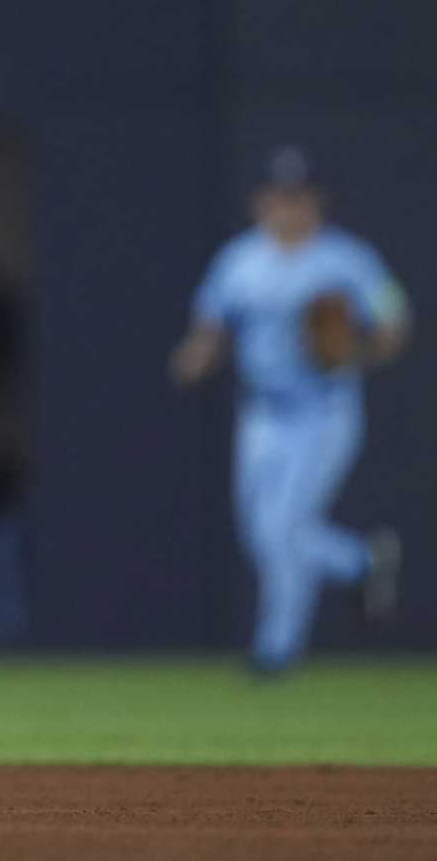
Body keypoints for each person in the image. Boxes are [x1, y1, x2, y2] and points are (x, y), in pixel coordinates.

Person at [170, 147, 412, 676]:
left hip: (323, 411)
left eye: (298, 197)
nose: (289, 208)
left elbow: (394, 318)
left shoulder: (347, 259)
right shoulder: (238, 260)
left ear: (317, 202)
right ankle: (361, 562)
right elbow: (212, 327)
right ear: (260, 202)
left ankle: (275, 651)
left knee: (282, 528)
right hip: (261, 416)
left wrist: (363, 352)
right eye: (280, 197)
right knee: (259, 533)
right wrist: (196, 355)